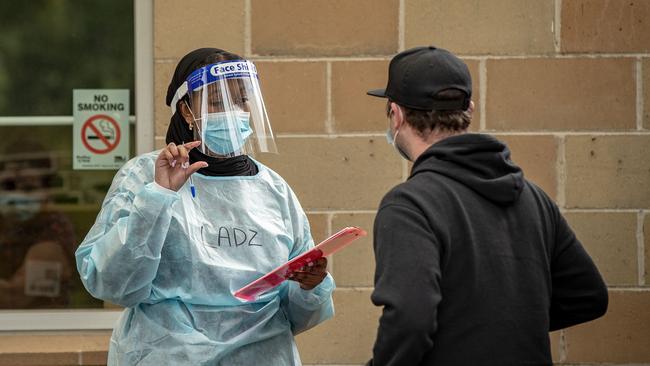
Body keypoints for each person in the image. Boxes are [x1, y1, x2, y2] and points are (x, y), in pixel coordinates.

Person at [75, 48, 335, 365]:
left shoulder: (273, 190)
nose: (234, 111)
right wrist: (157, 196)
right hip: (169, 355)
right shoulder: (144, 177)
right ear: (186, 112)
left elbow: (298, 313)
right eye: (217, 102)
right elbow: (110, 282)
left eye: (241, 100)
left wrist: (311, 285)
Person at [364, 46, 608, 365]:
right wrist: (500, 326)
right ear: (470, 110)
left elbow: (411, 317)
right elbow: (587, 296)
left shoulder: (409, 204)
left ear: (396, 115)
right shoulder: (533, 198)